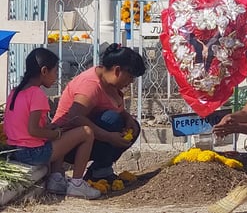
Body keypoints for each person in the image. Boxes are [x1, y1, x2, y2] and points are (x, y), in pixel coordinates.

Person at [3, 47, 101, 199]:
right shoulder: (36, 94)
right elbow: (34, 130)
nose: (56, 77)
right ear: (44, 71)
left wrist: (51, 129)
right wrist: (55, 134)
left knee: (60, 129)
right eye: (55, 72)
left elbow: (24, 127)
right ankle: (77, 184)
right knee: (86, 132)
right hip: (33, 153)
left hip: (16, 150)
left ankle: (56, 179)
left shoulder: (15, 91)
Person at [52, 43, 146, 182]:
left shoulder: (110, 84)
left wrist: (127, 118)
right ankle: (95, 174)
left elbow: (115, 107)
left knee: (133, 127)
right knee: (113, 120)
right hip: (68, 143)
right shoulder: (90, 85)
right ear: (117, 70)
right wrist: (109, 136)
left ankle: (100, 171)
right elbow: (75, 117)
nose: (131, 82)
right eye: (130, 77)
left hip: (91, 137)